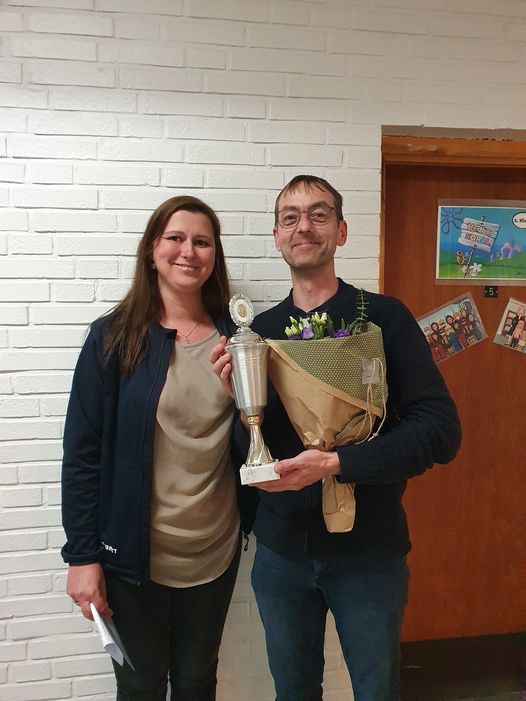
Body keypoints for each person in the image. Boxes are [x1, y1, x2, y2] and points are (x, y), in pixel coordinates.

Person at [211, 175, 461, 701]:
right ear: (277, 237)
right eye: (290, 217)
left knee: (376, 692)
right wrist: (239, 403)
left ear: (342, 232)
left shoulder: (384, 318)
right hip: (282, 556)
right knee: (293, 693)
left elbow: (440, 431)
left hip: (370, 556)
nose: (303, 226)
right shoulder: (256, 334)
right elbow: (248, 453)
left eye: (319, 214)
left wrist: (335, 464)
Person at [61, 195, 254, 701]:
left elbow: (255, 447)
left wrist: (245, 406)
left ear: (215, 256)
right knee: (140, 685)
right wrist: (82, 556)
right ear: (151, 250)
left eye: (202, 242)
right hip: (134, 559)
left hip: (214, 553)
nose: (188, 251)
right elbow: (82, 454)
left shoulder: (239, 340)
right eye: (175, 238)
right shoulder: (112, 338)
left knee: (196, 682)